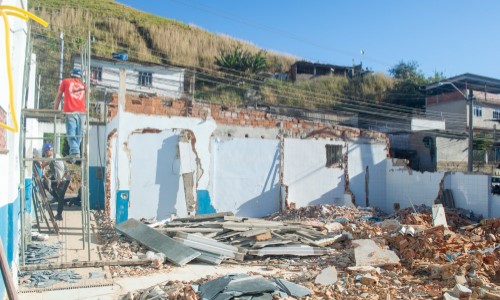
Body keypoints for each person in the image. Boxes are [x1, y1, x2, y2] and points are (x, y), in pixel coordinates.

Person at [54, 68, 87, 158]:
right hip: (82, 113)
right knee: (78, 134)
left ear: (71, 74)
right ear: (80, 77)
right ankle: (75, 152)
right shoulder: (83, 85)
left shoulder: (66, 82)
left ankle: (75, 151)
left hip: (70, 111)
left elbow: (59, 96)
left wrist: (55, 110)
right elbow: (89, 93)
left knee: (71, 133)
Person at [42, 143, 70, 221]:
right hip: (63, 177)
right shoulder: (56, 155)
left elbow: (42, 165)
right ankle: (57, 198)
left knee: (60, 196)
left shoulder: (51, 157)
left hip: (65, 178)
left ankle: (59, 214)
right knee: (48, 184)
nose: (45, 153)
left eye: (46, 152)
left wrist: (35, 158)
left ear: (49, 151)